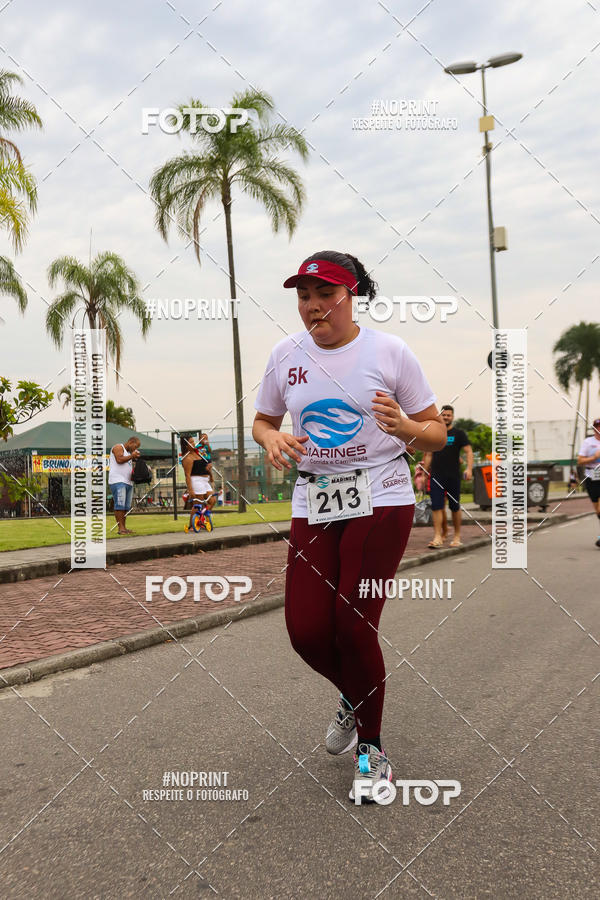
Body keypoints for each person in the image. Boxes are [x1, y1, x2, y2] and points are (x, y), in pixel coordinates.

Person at [252, 250, 446, 804]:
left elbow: (435, 432)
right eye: (303, 296)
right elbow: (264, 419)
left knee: (354, 626)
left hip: (380, 493)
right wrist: (271, 439)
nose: (313, 307)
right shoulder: (284, 355)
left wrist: (407, 425)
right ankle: (354, 695)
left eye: (325, 294)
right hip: (314, 498)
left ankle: (373, 753)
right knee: (307, 630)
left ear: (352, 293)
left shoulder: (389, 351)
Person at [421, 405, 473, 548]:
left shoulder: (459, 434)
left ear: (452, 417)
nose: (446, 417)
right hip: (437, 475)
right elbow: (429, 454)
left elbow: (468, 451)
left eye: (448, 415)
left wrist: (469, 469)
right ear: (440, 416)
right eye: (443, 415)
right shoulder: (436, 434)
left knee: (454, 507)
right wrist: (424, 473)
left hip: (453, 476)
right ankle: (437, 537)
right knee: (436, 506)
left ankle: (456, 537)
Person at [180, 433, 216, 533]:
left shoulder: (197, 452)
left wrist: (208, 470)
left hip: (205, 480)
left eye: (193, 441)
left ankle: (201, 520)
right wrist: (190, 490)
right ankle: (192, 525)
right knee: (197, 504)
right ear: (186, 445)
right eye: (191, 442)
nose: (193, 443)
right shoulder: (187, 458)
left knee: (212, 500)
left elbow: (202, 466)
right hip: (196, 481)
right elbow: (187, 475)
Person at [108, 437, 141, 534]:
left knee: (126, 507)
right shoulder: (118, 447)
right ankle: (120, 528)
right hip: (118, 481)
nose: (135, 449)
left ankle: (124, 528)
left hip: (128, 482)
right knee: (120, 505)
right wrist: (132, 456)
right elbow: (119, 459)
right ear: (131, 442)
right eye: (135, 446)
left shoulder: (129, 454)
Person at [576, 417, 600, 548]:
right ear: (594, 428)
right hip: (592, 477)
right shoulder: (588, 442)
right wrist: (594, 457)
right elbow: (580, 461)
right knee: (598, 510)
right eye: (598, 427)